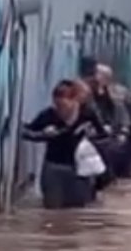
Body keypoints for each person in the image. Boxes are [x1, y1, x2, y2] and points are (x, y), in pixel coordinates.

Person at [22, 80, 109, 209]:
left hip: (79, 170)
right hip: (53, 168)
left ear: (74, 101)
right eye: (57, 105)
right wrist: (44, 134)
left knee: (78, 211)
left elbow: (103, 136)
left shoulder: (87, 114)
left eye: (63, 105)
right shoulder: (49, 115)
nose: (60, 110)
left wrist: (90, 137)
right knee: (52, 209)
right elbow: (27, 132)